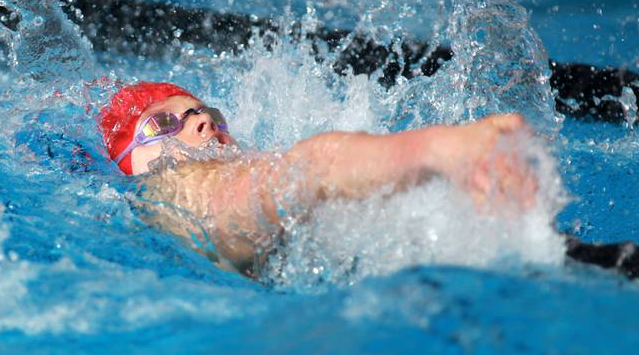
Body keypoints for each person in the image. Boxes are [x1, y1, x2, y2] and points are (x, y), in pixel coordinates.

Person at [99, 81, 537, 277]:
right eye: (162, 125)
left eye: (206, 113)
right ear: (127, 161)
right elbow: (314, 168)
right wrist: (437, 150)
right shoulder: (171, 191)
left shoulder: (236, 175)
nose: (200, 122)